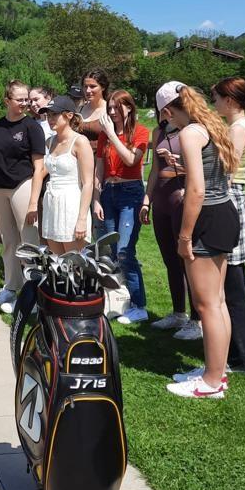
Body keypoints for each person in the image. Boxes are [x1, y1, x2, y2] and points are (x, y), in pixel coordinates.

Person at [157, 82, 240, 400]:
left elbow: (195, 190)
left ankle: (210, 381)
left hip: (206, 218)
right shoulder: (211, 125)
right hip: (224, 213)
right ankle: (215, 372)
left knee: (207, 305)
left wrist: (184, 236)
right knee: (217, 302)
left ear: (168, 111)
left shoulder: (190, 133)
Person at [212, 77, 245, 375]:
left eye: (217, 98)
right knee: (233, 283)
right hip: (233, 199)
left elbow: (226, 172)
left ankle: (244, 358)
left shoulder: (237, 129)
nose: (214, 103)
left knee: (232, 285)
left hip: (230, 200)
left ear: (230, 100)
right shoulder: (239, 126)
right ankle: (237, 352)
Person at [0, 80, 45, 314]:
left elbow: (39, 167)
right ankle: (11, 287)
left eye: (27, 99)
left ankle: (36, 293)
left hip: (23, 185)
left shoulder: (32, 127)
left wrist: (32, 202)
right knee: (8, 242)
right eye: (19, 99)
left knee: (29, 242)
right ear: (7, 101)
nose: (25, 103)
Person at [94, 90, 150, 324]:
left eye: (118, 107)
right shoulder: (105, 136)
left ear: (129, 107)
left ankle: (140, 305)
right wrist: (96, 198)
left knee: (125, 250)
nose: (113, 112)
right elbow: (99, 168)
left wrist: (111, 134)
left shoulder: (141, 132)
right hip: (109, 193)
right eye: (110, 108)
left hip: (130, 193)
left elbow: (130, 159)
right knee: (111, 251)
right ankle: (118, 299)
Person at [140, 120, 192, 333]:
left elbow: (198, 171)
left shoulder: (189, 131)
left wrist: (178, 164)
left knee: (187, 263)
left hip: (180, 199)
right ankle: (179, 313)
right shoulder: (159, 130)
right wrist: (147, 200)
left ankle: (196, 320)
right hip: (161, 201)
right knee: (170, 260)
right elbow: (154, 170)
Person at [39, 96, 94, 253]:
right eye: (48, 115)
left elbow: (88, 183)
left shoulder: (80, 142)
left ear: (69, 115)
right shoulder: (49, 142)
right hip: (51, 204)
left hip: (72, 206)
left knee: (74, 263)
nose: (50, 119)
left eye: (54, 114)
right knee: (58, 263)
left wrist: (82, 219)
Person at [80, 68, 110, 142]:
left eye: (92, 86)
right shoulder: (79, 109)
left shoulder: (110, 110)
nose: (88, 90)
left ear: (103, 87)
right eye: (85, 86)